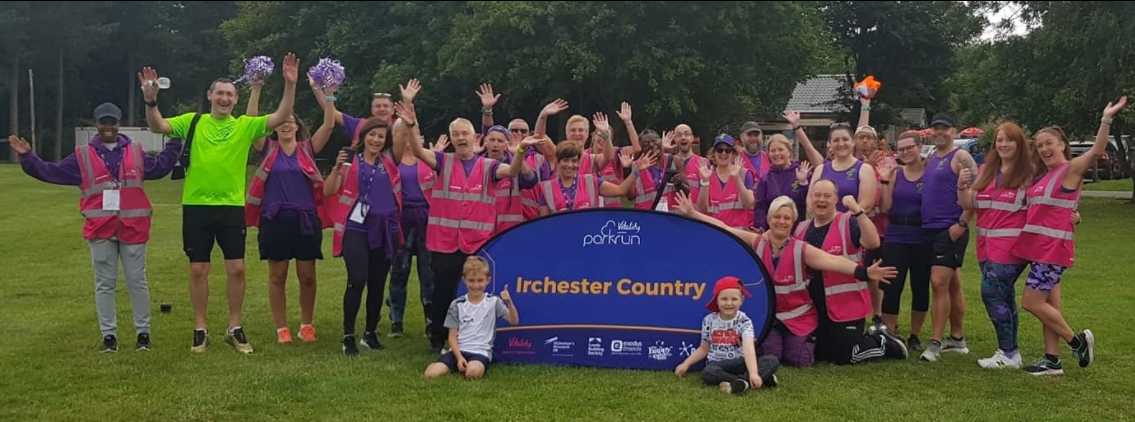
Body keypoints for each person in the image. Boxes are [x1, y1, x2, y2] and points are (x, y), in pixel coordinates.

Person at [138, 53, 299, 354]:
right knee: (198, 269)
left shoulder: (245, 126)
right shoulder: (193, 121)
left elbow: (280, 116)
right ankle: (200, 330)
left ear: (236, 100)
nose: (224, 98)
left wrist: (290, 85)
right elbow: (157, 126)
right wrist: (150, 101)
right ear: (210, 95)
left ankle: (234, 327)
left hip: (230, 208)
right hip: (196, 206)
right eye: (220, 93)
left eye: (230, 94)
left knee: (236, 268)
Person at [10, 103, 181, 352]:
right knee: (104, 284)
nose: (108, 127)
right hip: (101, 228)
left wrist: (176, 141)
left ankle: (143, 334)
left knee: (137, 282)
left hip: (133, 227)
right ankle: (109, 336)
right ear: (96, 125)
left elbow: (158, 168)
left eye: (112, 122)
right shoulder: (82, 156)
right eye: (103, 123)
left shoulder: (135, 150)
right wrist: (29, 158)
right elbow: (52, 172)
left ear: (119, 124)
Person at [674, 191, 903, 367]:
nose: (781, 222)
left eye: (787, 218)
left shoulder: (802, 249)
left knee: (799, 361)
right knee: (773, 357)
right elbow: (726, 228)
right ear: (770, 219)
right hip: (772, 318)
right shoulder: (757, 242)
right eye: (777, 217)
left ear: (793, 222)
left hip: (799, 318)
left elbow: (832, 260)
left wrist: (864, 272)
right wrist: (693, 213)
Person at [400, 100, 536, 354]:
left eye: (465, 133)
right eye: (456, 134)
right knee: (443, 291)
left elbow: (512, 171)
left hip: (475, 242)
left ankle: (469, 336)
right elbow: (418, 151)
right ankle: (438, 339)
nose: (461, 138)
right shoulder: (443, 161)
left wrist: (518, 152)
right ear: (451, 139)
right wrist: (410, 125)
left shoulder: (489, 166)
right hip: (444, 242)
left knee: (471, 291)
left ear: (474, 137)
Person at [1013, 97, 1124, 375]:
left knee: (1031, 302)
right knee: (1048, 304)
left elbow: (1098, 150)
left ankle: (1077, 342)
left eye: (1048, 143)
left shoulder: (1069, 170)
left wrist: (1106, 118)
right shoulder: (1044, 177)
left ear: (1062, 144)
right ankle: (1052, 362)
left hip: (1052, 250)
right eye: (1039, 146)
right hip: (1040, 249)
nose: (1043, 149)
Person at [244, 78, 334, 345]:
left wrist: (329, 96)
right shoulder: (267, 148)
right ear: (275, 125)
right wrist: (256, 89)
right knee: (278, 275)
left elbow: (329, 124)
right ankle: (281, 328)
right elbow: (250, 122)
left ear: (297, 127)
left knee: (307, 276)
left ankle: (306, 324)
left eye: (290, 121)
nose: (286, 124)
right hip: (276, 220)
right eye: (282, 120)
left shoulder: (307, 148)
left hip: (306, 220)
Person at [324, 88, 411, 354]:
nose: (375, 139)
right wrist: (338, 168)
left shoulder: (389, 160)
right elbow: (329, 191)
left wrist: (407, 111)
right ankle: (348, 336)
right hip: (355, 228)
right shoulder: (351, 158)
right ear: (363, 137)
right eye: (371, 135)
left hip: (384, 228)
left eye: (380, 136)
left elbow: (403, 134)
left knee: (377, 282)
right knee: (357, 279)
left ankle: (370, 334)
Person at [955, 123, 1034, 368]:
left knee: (991, 293)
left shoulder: (1029, 174)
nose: (1003, 145)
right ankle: (1012, 352)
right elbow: (969, 203)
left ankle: (1007, 351)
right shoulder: (986, 171)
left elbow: (1040, 206)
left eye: (1008, 140)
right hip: (985, 246)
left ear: (1019, 144)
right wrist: (961, 185)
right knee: (1005, 297)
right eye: (999, 140)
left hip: (1011, 247)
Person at [810, 122, 883, 333]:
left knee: (854, 276)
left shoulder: (863, 168)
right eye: (836, 140)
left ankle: (863, 319)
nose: (841, 144)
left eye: (845, 139)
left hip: (851, 232)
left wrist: (838, 224)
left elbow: (866, 203)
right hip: (821, 230)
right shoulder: (822, 169)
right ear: (830, 145)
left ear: (852, 143)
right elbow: (810, 201)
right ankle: (825, 320)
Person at [918, 112, 978, 363]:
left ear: (954, 131)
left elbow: (976, 190)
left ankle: (934, 342)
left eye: (945, 128)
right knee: (953, 284)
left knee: (938, 283)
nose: (939, 132)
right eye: (936, 128)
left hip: (950, 228)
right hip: (929, 228)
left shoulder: (961, 156)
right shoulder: (932, 157)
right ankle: (957, 338)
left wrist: (963, 222)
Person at [674, 276, 780, 395]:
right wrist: (686, 363)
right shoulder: (709, 320)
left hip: (740, 362)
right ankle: (750, 380)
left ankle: (743, 382)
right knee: (708, 372)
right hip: (717, 364)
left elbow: (748, 347)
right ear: (717, 300)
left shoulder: (744, 321)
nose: (729, 303)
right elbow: (703, 348)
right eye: (724, 299)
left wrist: (754, 372)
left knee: (771, 360)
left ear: (741, 300)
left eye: (734, 299)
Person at [423, 256, 519, 379]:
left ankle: (467, 366)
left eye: (480, 280)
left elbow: (514, 320)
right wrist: (459, 357)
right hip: (457, 351)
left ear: (488, 280)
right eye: (471, 280)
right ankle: (446, 364)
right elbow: (452, 337)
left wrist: (509, 303)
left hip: (480, 352)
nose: (476, 285)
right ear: (464, 280)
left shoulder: (494, 302)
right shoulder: (457, 304)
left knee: (472, 373)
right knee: (431, 374)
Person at [878, 131, 931, 351]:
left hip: (921, 234)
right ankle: (891, 332)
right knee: (892, 285)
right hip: (896, 233)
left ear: (919, 147)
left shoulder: (929, 174)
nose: (906, 152)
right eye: (901, 149)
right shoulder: (896, 174)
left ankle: (915, 335)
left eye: (910, 148)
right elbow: (885, 207)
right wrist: (884, 180)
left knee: (920, 285)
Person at [754, 111, 825, 232]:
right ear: (768, 153)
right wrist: (761, 228)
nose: (777, 154)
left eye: (780, 149)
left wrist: (803, 184)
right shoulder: (765, 179)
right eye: (773, 151)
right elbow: (760, 207)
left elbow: (810, 204)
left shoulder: (803, 172)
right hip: (774, 232)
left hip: (799, 231)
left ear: (789, 151)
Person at [538, 143, 654, 215]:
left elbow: (620, 190)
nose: (569, 165)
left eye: (574, 161)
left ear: (578, 163)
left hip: (588, 239)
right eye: (565, 160)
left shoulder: (590, 181)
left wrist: (637, 170)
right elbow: (545, 225)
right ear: (558, 162)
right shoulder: (546, 188)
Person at [696, 135, 755, 229]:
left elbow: (748, 203)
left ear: (733, 153)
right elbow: (702, 206)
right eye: (719, 150)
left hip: (737, 235)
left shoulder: (745, 174)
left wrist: (737, 178)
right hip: (714, 232)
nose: (723, 153)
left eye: (728, 150)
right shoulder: (706, 174)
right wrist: (706, 181)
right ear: (714, 153)